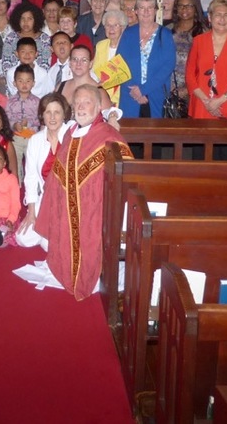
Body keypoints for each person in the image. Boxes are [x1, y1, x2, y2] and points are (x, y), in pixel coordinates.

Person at [38, 84, 132, 300]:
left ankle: (92, 274)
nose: (80, 107)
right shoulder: (71, 133)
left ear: (99, 106)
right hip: (69, 211)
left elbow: (127, 176)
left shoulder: (109, 136)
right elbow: (58, 175)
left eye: (86, 102)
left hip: (97, 210)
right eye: (77, 103)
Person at [16, 92, 69, 249]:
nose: (52, 117)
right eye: (48, 112)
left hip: (68, 200)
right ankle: (53, 232)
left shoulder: (72, 135)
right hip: (46, 198)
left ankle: (57, 233)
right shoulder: (36, 139)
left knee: (49, 246)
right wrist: (31, 212)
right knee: (22, 238)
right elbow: (31, 178)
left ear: (64, 114)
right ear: (42, 115)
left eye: (57, 112)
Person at [185, 0, 227, 118]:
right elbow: (190, 75)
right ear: (210, 18)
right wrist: (207, 102)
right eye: (218, 15)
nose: (222, 19)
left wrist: (220, 101)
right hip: (202, 104)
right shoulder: (198, 41)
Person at [115, 0, 177, 118]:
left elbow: (168, 66)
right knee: (131, 135)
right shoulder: (128, 33)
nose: (146, 12)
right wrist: (135, 91)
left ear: (155, 11)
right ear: (136, 11)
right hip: (130, 95)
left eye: (150, 8)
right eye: (142, 8)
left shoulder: (165, 34)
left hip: (155, 94)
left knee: (155, 135)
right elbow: (119, 63)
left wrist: (144, 90)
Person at [170, 0, 207, 107]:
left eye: (189, 6)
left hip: (196, 91)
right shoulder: (167, 30)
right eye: (181, 6)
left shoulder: (204, 33)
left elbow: (206, 66)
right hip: (169, 90)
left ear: (196, 8)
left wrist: (188, 89)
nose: (184, 9)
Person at [92, 8, 126, 105]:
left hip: (122, 98)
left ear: (122, 28)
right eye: (108, 25)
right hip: (101, 96)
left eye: (115, 25)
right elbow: (95, 72)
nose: (111, 29)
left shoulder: (127, 47)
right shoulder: (100, 45)